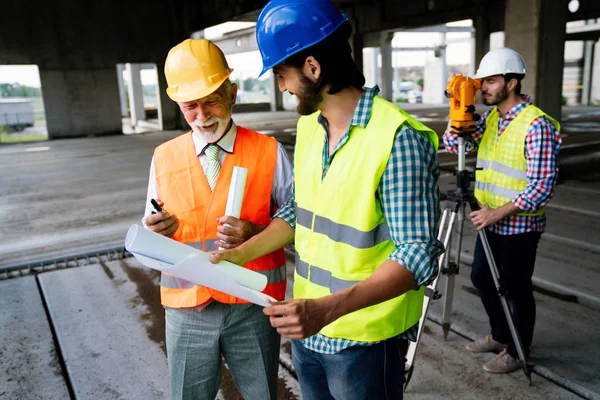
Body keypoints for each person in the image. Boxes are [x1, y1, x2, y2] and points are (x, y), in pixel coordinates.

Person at [210, 0, 444, 398]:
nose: (281, 86)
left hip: (365, 343)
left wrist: (327, 309)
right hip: (308, 332)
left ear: (314, 69)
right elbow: (298, 212)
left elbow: (417, 254)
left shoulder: (398, 138)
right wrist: (239, 255)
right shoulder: (309, 128)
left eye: (283, 75)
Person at [143, 38, 293, 400]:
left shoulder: (268, 151)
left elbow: (302, 221)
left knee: (261, 394)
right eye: (190, 106)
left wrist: (257, 232)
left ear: (233, 93)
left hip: (252, 304)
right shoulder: (164, 157)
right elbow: (149, 240)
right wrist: (156, 232)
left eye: (211, 100)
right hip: (187, 308)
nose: (202, 115)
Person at [443, 47, 562, 374]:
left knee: (516, 288)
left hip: (518, 227)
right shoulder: (491, 118)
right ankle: (499, 335)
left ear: (512, 83)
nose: (484, 87)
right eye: (482, 81)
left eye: (492, 81)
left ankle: (517, 351)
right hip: (490, 221)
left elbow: (542, 188)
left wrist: (496, 213)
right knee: (482, 278)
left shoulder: (537, 126)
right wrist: (459, 112)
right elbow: (455, 145)